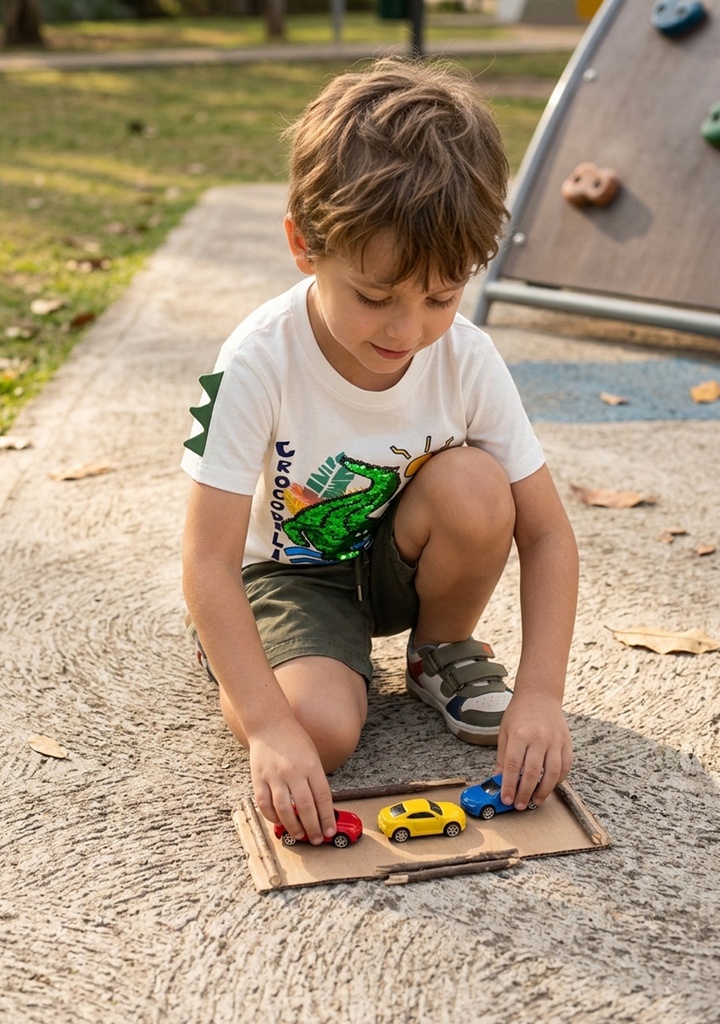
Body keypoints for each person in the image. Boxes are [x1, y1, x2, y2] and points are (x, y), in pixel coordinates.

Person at [181, 57, 578, 847]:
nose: (406, 332)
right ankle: (249, 654)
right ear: (304, 245)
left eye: (440, 296)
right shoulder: (254, 359)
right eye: (373, 296)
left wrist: (542, 693)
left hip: (398, 554)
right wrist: (266, 725)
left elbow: (546, 532)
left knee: (475, 483)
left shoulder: (467, 356)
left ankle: (436, 652)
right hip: (291, 577)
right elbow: (207, 562)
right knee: (319, 732)